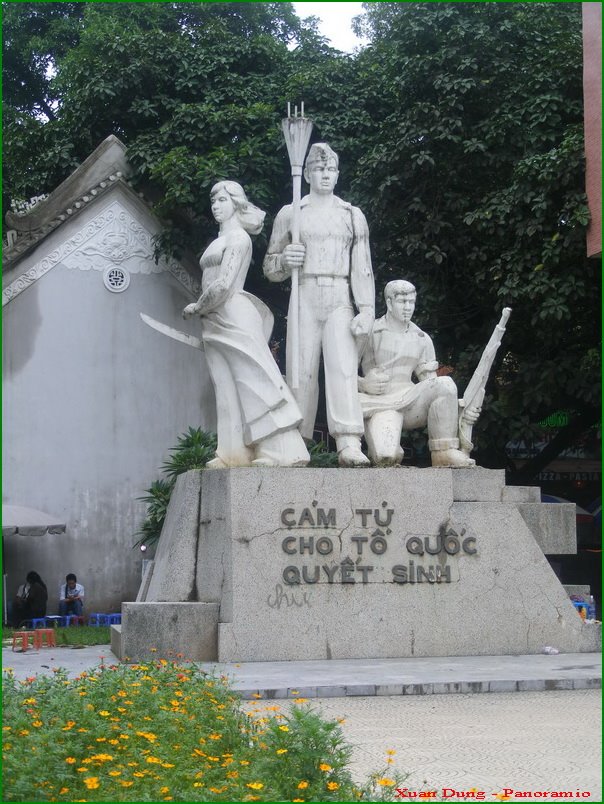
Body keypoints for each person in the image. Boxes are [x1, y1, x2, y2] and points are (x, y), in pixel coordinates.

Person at [263, 143, 375, 467]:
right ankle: (296, 440)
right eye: (319, 169)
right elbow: (270, 267)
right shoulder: (291, 213)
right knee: (300, 370)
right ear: (308, 172)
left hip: (339, 293)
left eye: (330, 170)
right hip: (305, 292)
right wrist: (285, 260)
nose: (325, 175)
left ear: (338, 174)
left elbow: (362, 267)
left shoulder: (352, 215)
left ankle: (349, 442)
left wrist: (366, 309)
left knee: (342, 368)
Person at [183, 181, 309, 467]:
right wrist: (204, 310)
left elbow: (225, 284)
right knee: (225, 385)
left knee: (253, 381)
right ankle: (231, 452)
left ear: (237, 203)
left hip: (232, 314)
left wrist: (198, 305)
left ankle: (282, 451)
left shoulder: (239, 238)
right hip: (213, 318)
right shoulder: (219, 240)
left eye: (222, 200)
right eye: (213, 201)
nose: (216, 206)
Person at [358, 280, 477, 467]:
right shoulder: (369, 332)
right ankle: (391, 447)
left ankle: (444, 451)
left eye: (411, 302)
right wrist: (363, 384)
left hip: (411, 400)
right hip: (378, 402)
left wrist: (461, 409)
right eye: (402, 302)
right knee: (385, 458)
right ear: (389, 303)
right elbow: (343, 374)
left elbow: (432, 386)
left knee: (445, 384)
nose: (408, 308)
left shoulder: (421, 337)